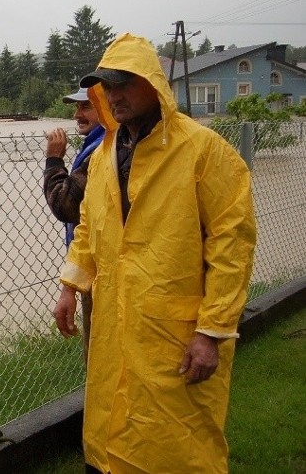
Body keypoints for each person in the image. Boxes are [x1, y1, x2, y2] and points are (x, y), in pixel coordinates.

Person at [57, 33, 257, 474]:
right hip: (115, 321)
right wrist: (71, 285)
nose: (114, 95)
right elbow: (90, 224)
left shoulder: (202, 150)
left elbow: (233, 244)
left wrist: (213, 331)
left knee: (175, 444)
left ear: (154, 84)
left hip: (176, 333)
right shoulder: (106, 151)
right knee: (111, 427)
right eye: (107, 86)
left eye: (124, 83)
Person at [44, 87, 104, 363]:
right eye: (76, 108)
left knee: (99, 354)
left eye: (86, 107)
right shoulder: (99, 143)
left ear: (105, 109)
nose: (77, 115)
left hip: (99, 268)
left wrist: (54, 160)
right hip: (92, 263)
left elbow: (65, 205)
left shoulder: (102, 151)